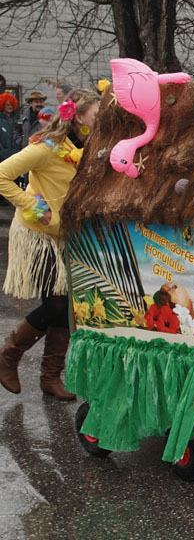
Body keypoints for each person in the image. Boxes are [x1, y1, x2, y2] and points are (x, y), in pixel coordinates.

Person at [0, 88, 100, 400]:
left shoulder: (89, 147)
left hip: (67, 235)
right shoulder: (46, 147)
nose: (100, 120)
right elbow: (2, 175)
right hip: (38, 235)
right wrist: (32, 206)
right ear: (78, 117)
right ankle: (8, 355)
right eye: (96, 114)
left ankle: (50, 377)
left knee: (66, 306)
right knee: (57, 304)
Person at [0, 93, 19, 162]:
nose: (10, 107)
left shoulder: (18, 118)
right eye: (8, 105)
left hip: (17, 155)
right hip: (2, 157)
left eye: (12, 105)